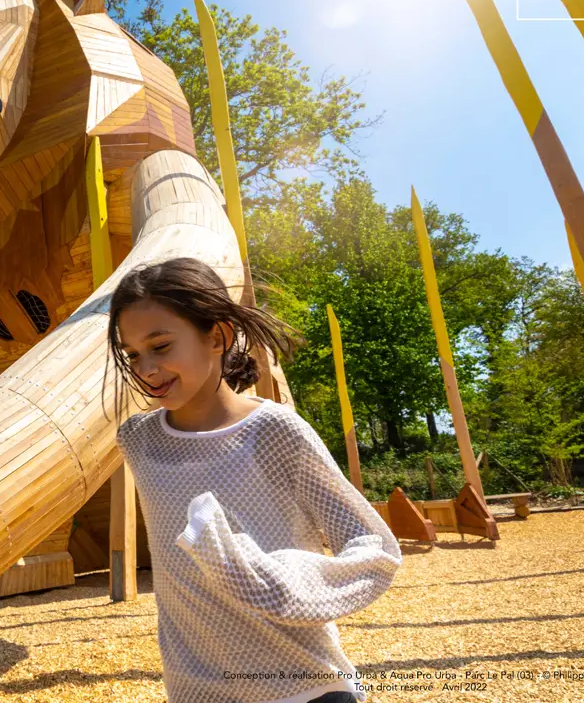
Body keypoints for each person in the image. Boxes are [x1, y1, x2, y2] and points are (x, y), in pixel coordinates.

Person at [105, 257, 402, 703]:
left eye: (161, 346)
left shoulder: (277, 430)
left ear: (218, 335)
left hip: (305, 687)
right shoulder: (138, 441)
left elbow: (373, 548)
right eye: (132, 354)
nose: (145, 369)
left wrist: (283, 584)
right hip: (194, 691)